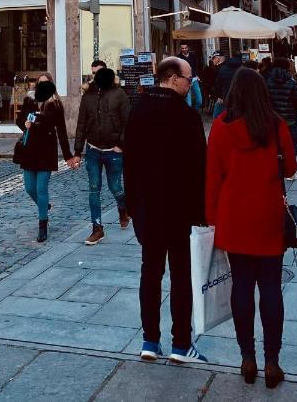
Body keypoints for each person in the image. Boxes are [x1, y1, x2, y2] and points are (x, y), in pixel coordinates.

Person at [207, 68, 297, 389]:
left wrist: (211, 217)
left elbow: (213, 177)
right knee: (271, 288)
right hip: (268, 214)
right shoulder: (275, 124)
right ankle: (272, 361)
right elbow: (290, 167)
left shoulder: (220, 127)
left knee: (241, 286)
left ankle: (247, 357)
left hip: (234, 216)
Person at [124, 56, 208, 364]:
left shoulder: (138, 111)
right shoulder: (186, 116)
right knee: (181, 276)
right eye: (188, 80)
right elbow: (201, 168)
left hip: (147, 210)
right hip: (178, 210)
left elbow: (128, 163)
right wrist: (202, 212)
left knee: (150, 272)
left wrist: (131, 205)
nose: (190, 84)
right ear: (173, 79)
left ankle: (149, 341)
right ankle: (181, 344)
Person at [73, 67, 131, 245]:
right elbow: (81, 124)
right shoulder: (87, 97)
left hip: (113, 150)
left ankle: (123, 207)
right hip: (93, 150)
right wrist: (77, 152)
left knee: (115, 187)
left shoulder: (119, 95)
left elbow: (127, 122)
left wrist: (121, 145)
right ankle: (97, 228)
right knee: (94, 188)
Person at [16, 79, 76, 242]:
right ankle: (45, 206)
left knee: (41, 188)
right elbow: (19, 120)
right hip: (29, 151)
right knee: (29, 188)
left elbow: (62, 132)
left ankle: (43, 224)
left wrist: (68, 156)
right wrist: (25, 124)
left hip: (46, 151)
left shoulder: (55, 106)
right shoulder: (30, 101)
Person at [265, 58, 297, 155]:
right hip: (289, 118)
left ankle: (280, 159)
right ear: (287, 68)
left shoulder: (267, 82)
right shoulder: (291, 83)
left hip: (273, 119)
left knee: (276, 141)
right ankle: (290, 160)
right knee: (294, 142)